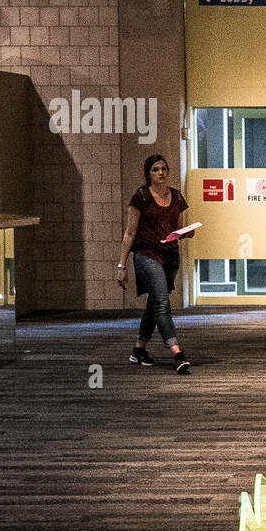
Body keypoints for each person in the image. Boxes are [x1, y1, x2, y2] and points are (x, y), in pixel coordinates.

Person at [116, 154, 193, 374]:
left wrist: (187, 233)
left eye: (163, 169)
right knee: (162, 303)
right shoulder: (141, 197)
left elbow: (177, 228)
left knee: (155, 302)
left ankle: (139, 349)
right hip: (146, 254)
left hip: (169, 256)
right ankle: (177, 354)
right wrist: (121, 266)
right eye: (155, 170)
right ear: (148, 174)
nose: (161, 173)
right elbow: (130, 233)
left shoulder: (177, 197)